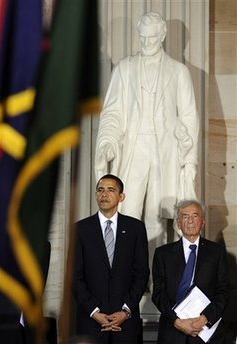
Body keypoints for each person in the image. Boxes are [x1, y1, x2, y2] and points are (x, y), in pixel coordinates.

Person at [94, 12, 199, 249]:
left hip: (166, 151)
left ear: (162, 36)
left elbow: (190, 118)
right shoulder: (124, 69)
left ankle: (155, 279)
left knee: (157, 217)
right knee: (126, 213)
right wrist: (107, 142)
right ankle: (124, 278)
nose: (146, 43)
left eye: (152, 38)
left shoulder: (179, 72)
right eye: (142, 37)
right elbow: (112, 112)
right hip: (133, 148)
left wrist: (190, 161)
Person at [73, 174, 149, 344]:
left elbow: (142, 273)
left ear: (121, 196)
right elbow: (74, 276)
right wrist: (94, 312)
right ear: (95, 195)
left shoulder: (135, 228)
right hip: (90, 322)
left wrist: (125, 311)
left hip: (126, 324)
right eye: (100, 190)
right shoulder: (80, 229)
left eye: (110, 190)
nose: (104, 194)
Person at [152, 199, 229, 343]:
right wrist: (177, 322)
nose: (190, 221)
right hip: (172, 332)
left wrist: (205, 319)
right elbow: (158, 294)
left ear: (203, 221)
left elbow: (223, 291)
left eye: (195, 216)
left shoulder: (216, 252)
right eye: (185, 217)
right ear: (178, 223)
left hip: (207, 332)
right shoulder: (163, 254)